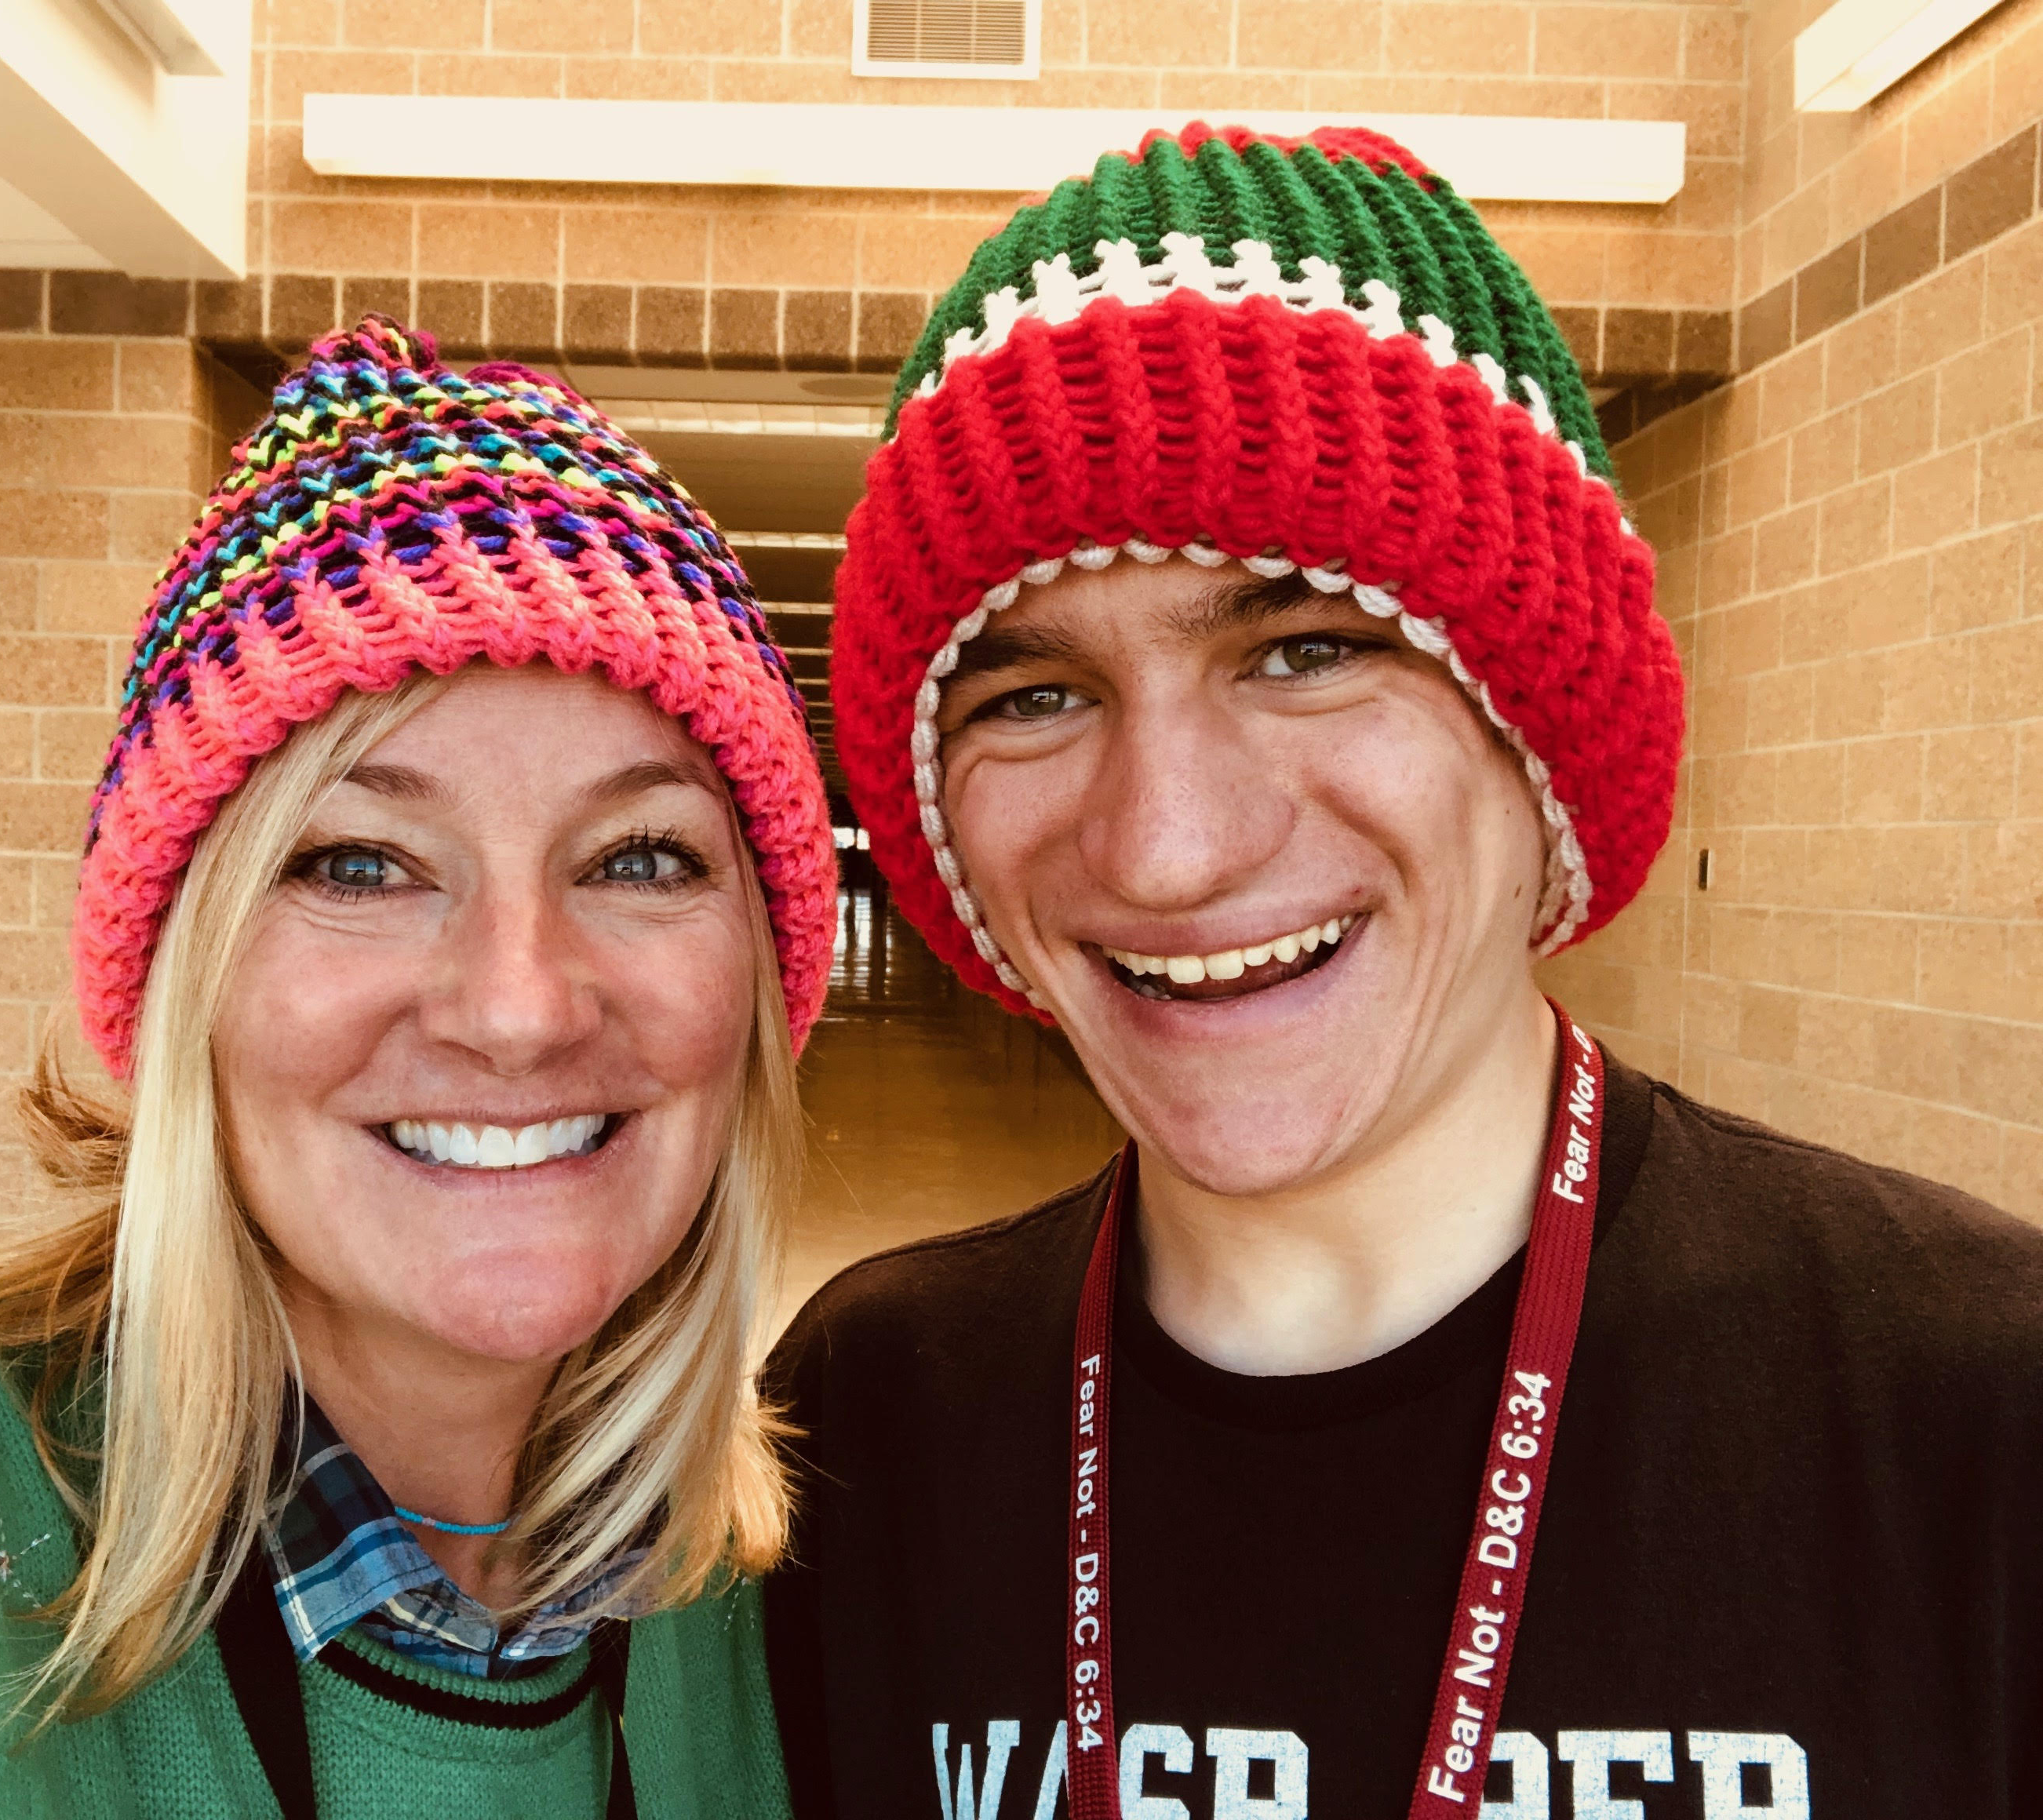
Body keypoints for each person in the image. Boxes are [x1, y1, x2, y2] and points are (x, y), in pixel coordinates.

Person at [764, 124, 2043, 1818]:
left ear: (1537, 736)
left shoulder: (1974, 1410)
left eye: (1306, 651)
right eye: (1035, 695)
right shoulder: (865, 1422)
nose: (1165, 847)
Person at [0, 318, 836, 1818]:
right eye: (359, 862)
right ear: (183, 980)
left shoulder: (780, 1600)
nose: (520, 1009)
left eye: (640, 857)